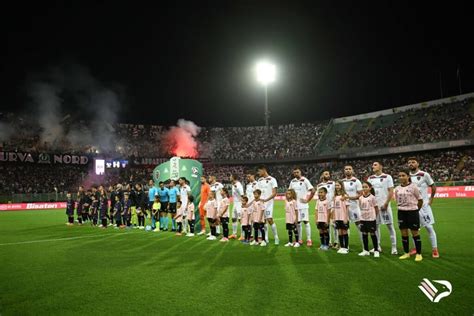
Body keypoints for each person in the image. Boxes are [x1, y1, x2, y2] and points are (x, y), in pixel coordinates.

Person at [408, 157, 439, 258]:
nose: (411, 164)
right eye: (409, 163)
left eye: (413, 162)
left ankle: (435, 249)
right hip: (412, 207)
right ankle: (415, 248)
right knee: (413, 229)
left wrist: (431, 199)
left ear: (418, 164)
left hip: (424, 207)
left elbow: (433, 186)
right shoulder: (406, 176)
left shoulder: (424, 174)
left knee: (429, 227)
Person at [368, 161, 398, 255]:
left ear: (381, 166)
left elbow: (391, 191)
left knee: (390, 226)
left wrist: (386, 204)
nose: (373, 166)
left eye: (375, 165)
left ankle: (394, 247)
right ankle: (377, 246)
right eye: (373, 165)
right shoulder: (370, 178)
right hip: (375, 207)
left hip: (385, 206)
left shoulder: (387, 177)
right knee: (376, 227)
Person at [395, 170, 424, 262]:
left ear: (408, 176)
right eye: (399, 175)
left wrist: (415, 210)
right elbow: (397, 200)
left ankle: (419, 254)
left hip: (412, 212)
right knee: (403, 233)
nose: (401, 177)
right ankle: (406, 253)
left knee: (415, 233)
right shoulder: (397, 188)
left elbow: (420, 200)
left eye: (403, 175)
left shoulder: (413, 187)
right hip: (401, 212)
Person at [288, 167, 315, 246]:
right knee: (298, 223)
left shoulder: (305, 180)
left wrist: (307, 200)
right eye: (295, 172)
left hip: (303, 206)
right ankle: (299, 239)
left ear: (300, 172)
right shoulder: (292, 181)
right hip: (295, 206)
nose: (296, 174)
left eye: (297, 172)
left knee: (306, 222)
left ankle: (309, 239)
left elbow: (313, 190)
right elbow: (289, 191)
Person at [341, 165, 364, 249]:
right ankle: (345, 246)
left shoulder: (356, 181)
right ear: (344, 171)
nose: (348, 170)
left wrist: (349, 198)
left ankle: (364, 246)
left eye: (349, 169)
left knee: (359, 226)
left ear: (352, 171)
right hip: (344, 208)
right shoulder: (342, 181)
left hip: (354, 207)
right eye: (346, 169)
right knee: (345, 226)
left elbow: (361, 194)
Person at [256, 165, 279, 245]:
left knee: (269, 220)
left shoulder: (272, 179)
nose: (258, 173)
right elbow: (257, 192)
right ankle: (265, 238)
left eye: (259, 171)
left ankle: (276, 237)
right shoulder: (259, 180)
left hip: (269, 203)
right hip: (261, 204)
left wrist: (266, 200)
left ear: (264, 170)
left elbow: (274, 193)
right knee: (263, 221)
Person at [358, 182, 380, 258]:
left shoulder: (372, 197)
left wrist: (374, 217)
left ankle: (376, 250)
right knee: (364, 234)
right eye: (363, 187)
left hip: (371, 219)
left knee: (373, 234)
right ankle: (366, 250)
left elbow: (376, 208)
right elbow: (360, 207)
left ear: (370, 188)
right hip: (363, 218)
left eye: (366, 187)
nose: (364, 188)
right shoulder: (360, 198)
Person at [317, 171, 337, 248]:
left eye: (328, 174)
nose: (327, 175)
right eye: (325, 174)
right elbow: (319, 196)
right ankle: (328, 242)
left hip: (332, 206)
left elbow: (336, 192)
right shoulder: (319, 185)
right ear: (322, 175)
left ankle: (336, 241)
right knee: (326, 226)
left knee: (333, 224)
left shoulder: (333, 183)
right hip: (323, 208)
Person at [333, 181, 350, 254]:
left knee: (344, 231)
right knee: (339, 232)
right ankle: (342, 247)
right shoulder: (335, 196)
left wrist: (346, 217)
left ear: (341, 186)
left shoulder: (345, 196)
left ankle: (346, 247)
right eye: (336, 185)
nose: (337, 187)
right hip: (337, 217)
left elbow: (347, 207)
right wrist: (334, 217)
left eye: (338, 185)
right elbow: (334, 208)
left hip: (343, 217)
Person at [229, 174, 244, 240]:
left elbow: (242, 194)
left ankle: (242, 235)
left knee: (241, 219)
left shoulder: (238, 185)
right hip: (235, 203)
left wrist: (243, 204)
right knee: (234, 219)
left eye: (230, 177)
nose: (229, 178)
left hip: (239, 204)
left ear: (233, 178)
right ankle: (234, 234)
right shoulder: (233, 185)